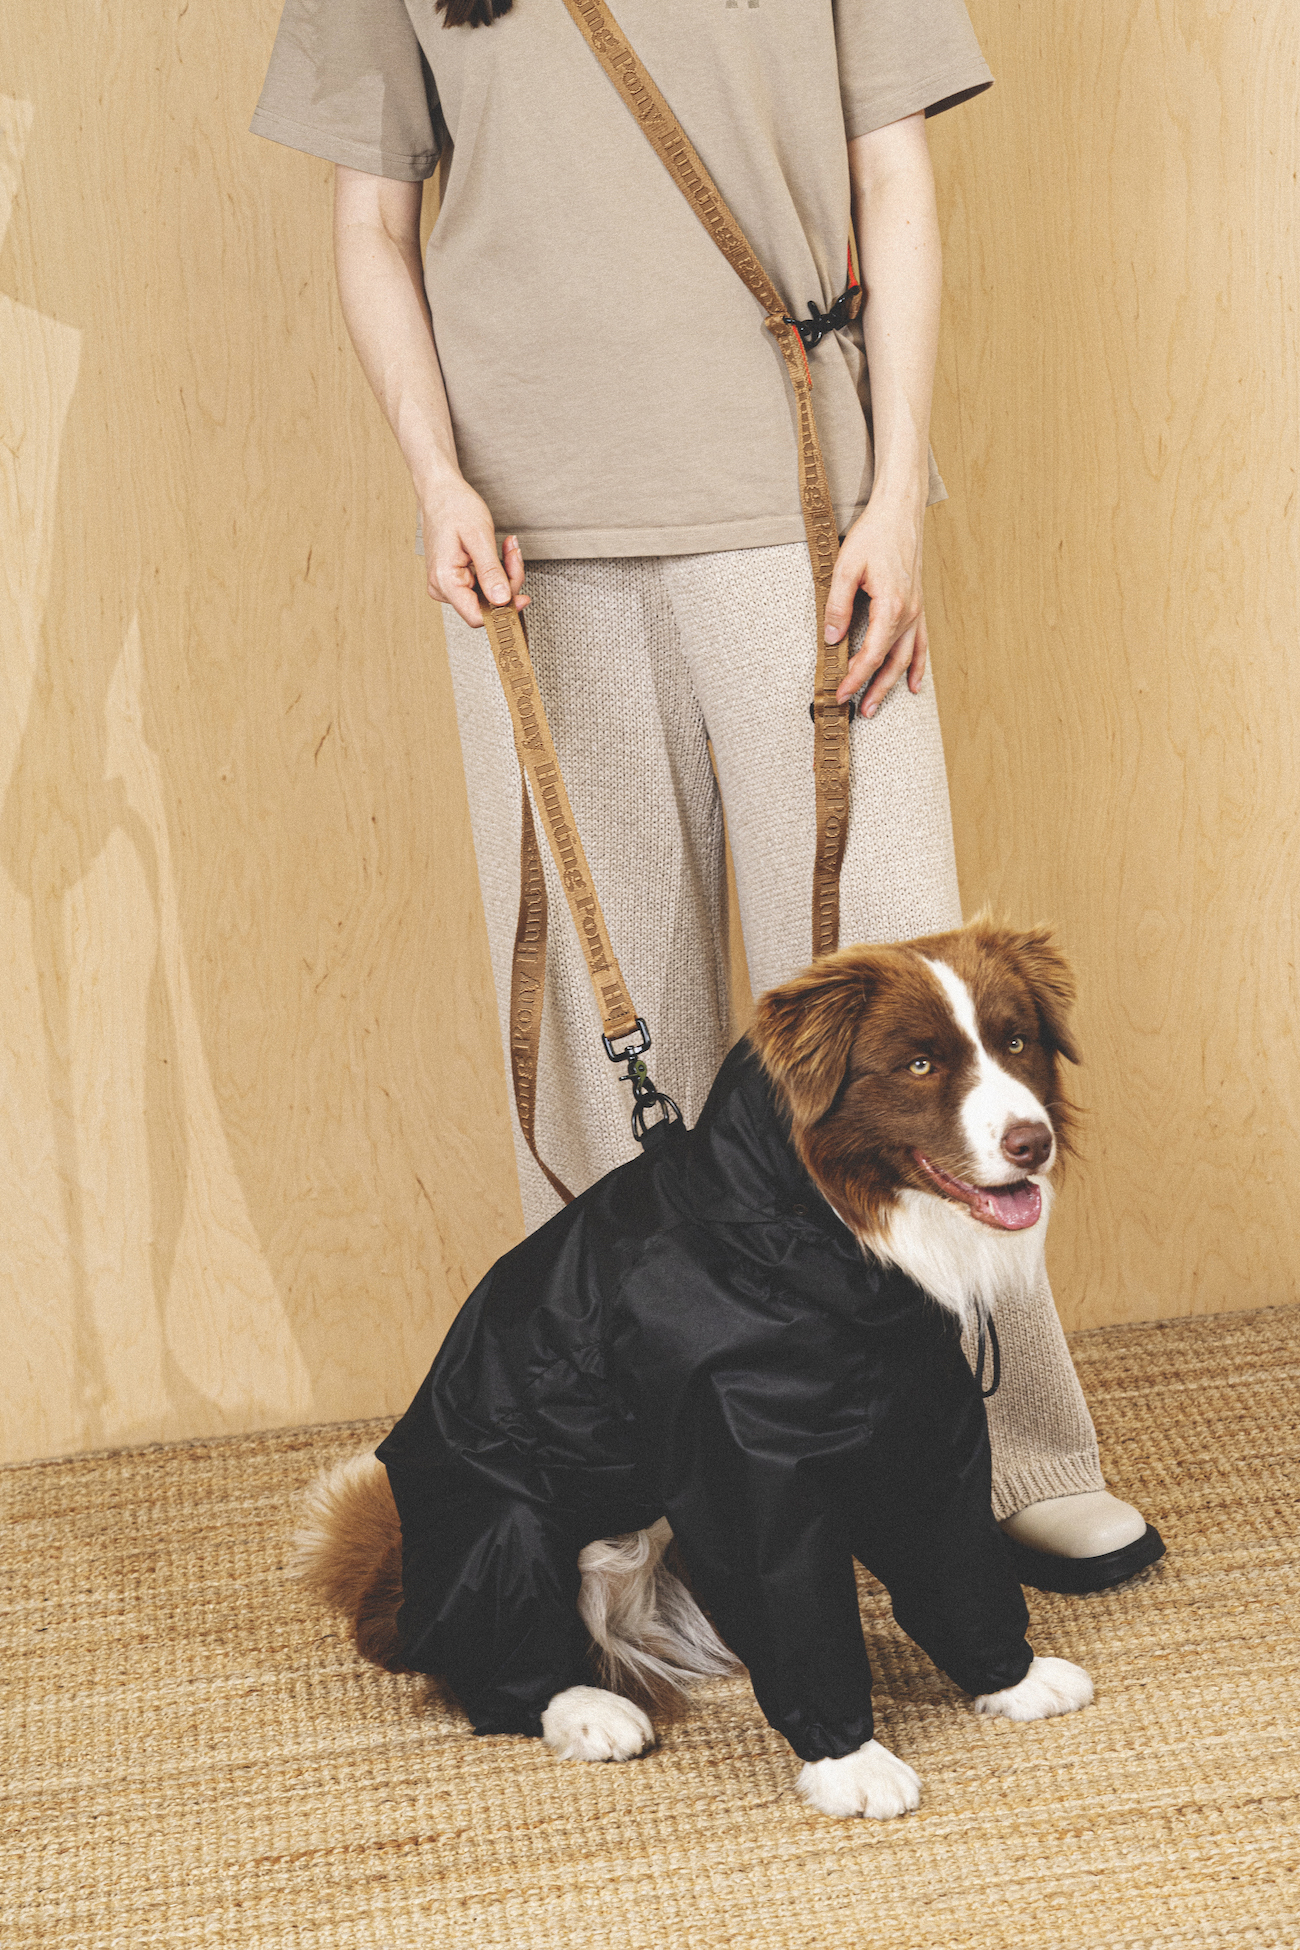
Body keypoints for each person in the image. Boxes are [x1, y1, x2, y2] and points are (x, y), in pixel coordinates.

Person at [252, 0, 1163, 1590]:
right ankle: (674, 1479)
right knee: (615, 1067)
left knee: (919, 1010)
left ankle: (1012, 1451)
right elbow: (372, 223)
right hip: (530, 541)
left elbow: (893, 171)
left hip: (798, 501)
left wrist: (896, 492)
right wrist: (435, 478)